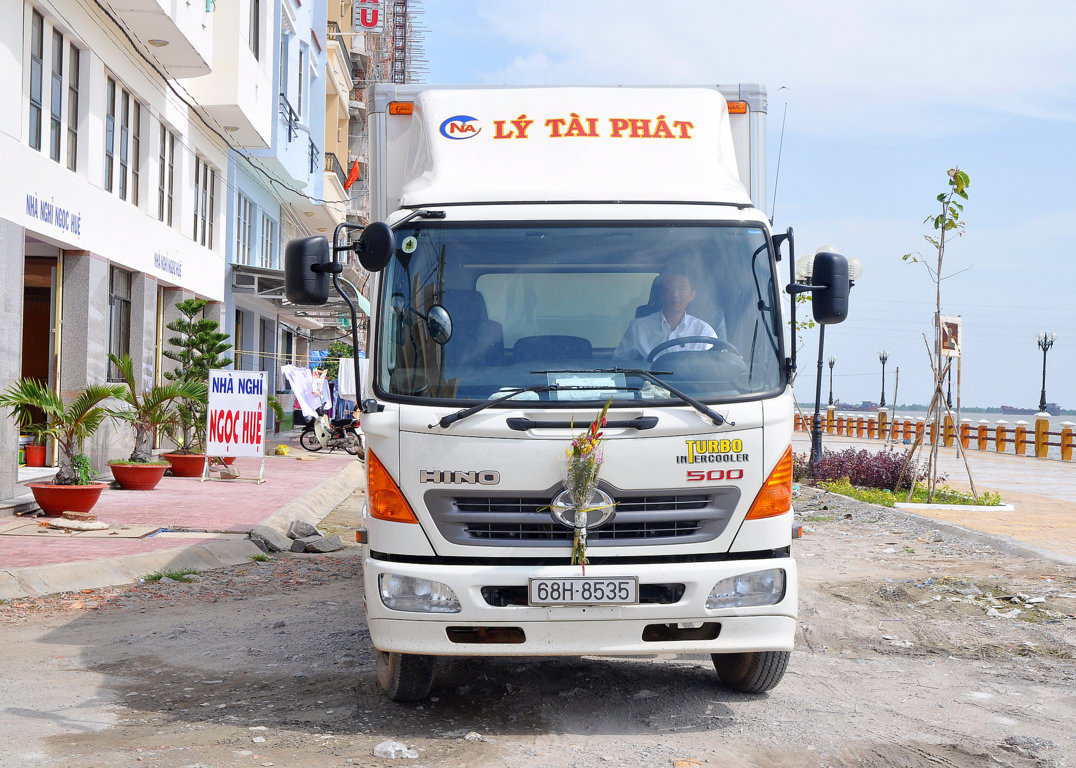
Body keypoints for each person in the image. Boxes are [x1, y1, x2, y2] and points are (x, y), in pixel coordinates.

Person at [613, 264, 719, 362]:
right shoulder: (638, 328)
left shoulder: (704, 331)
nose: (675, 294)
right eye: (669, 288)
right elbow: (619, 365)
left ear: (692, 295)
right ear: (661, 292)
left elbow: (718, 366)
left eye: (682, 289)